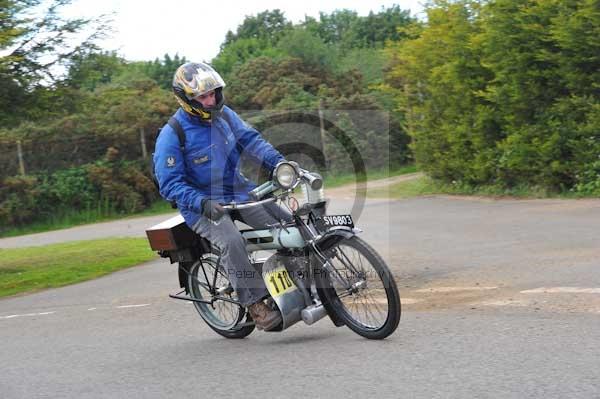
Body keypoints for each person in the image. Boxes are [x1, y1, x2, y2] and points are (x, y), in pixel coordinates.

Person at [153, 62, 290, 331]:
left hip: (237, 191)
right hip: (202, 205)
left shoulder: (225, 115)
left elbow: (252, 141)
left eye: (213, 93)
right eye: (202, 97)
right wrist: (202, 203)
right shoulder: (172, 134)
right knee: (231, 240)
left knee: (284, 226)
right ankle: (256, 304)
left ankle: (297, 281)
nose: (210, 100)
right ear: (186, 99)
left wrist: (280, 164)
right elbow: (169, 183)